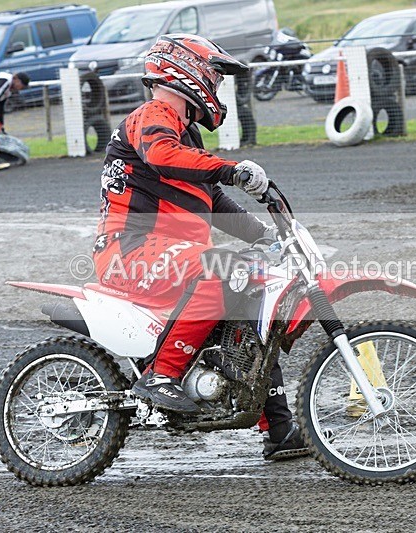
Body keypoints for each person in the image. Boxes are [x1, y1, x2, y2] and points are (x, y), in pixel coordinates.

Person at [92, 34, 307, 460]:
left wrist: (267, 235)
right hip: (129, 250)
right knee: (224, 268)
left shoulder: (186, 136)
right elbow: (161, 156)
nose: (217, 84)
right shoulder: (151, 117)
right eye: (214, 74)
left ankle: (279, 427)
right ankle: (160, 376)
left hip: (166, 255)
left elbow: (214, 203)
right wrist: (233, 169)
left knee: (252, 294)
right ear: (187, 71)